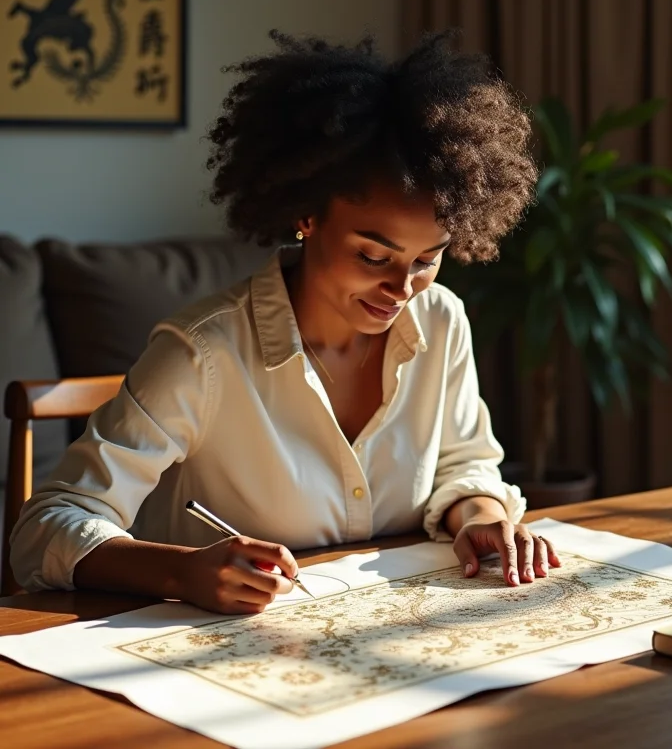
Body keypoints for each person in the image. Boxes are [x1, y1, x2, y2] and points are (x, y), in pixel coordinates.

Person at [10, 30, 560, 614]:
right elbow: (46, 527)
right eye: (373, 257)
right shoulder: (203, 353)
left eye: (426, 260)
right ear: (307, 215)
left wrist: (479, 515)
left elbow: (463, 462)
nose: (402, 289)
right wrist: (181, 571)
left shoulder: (441, 320)